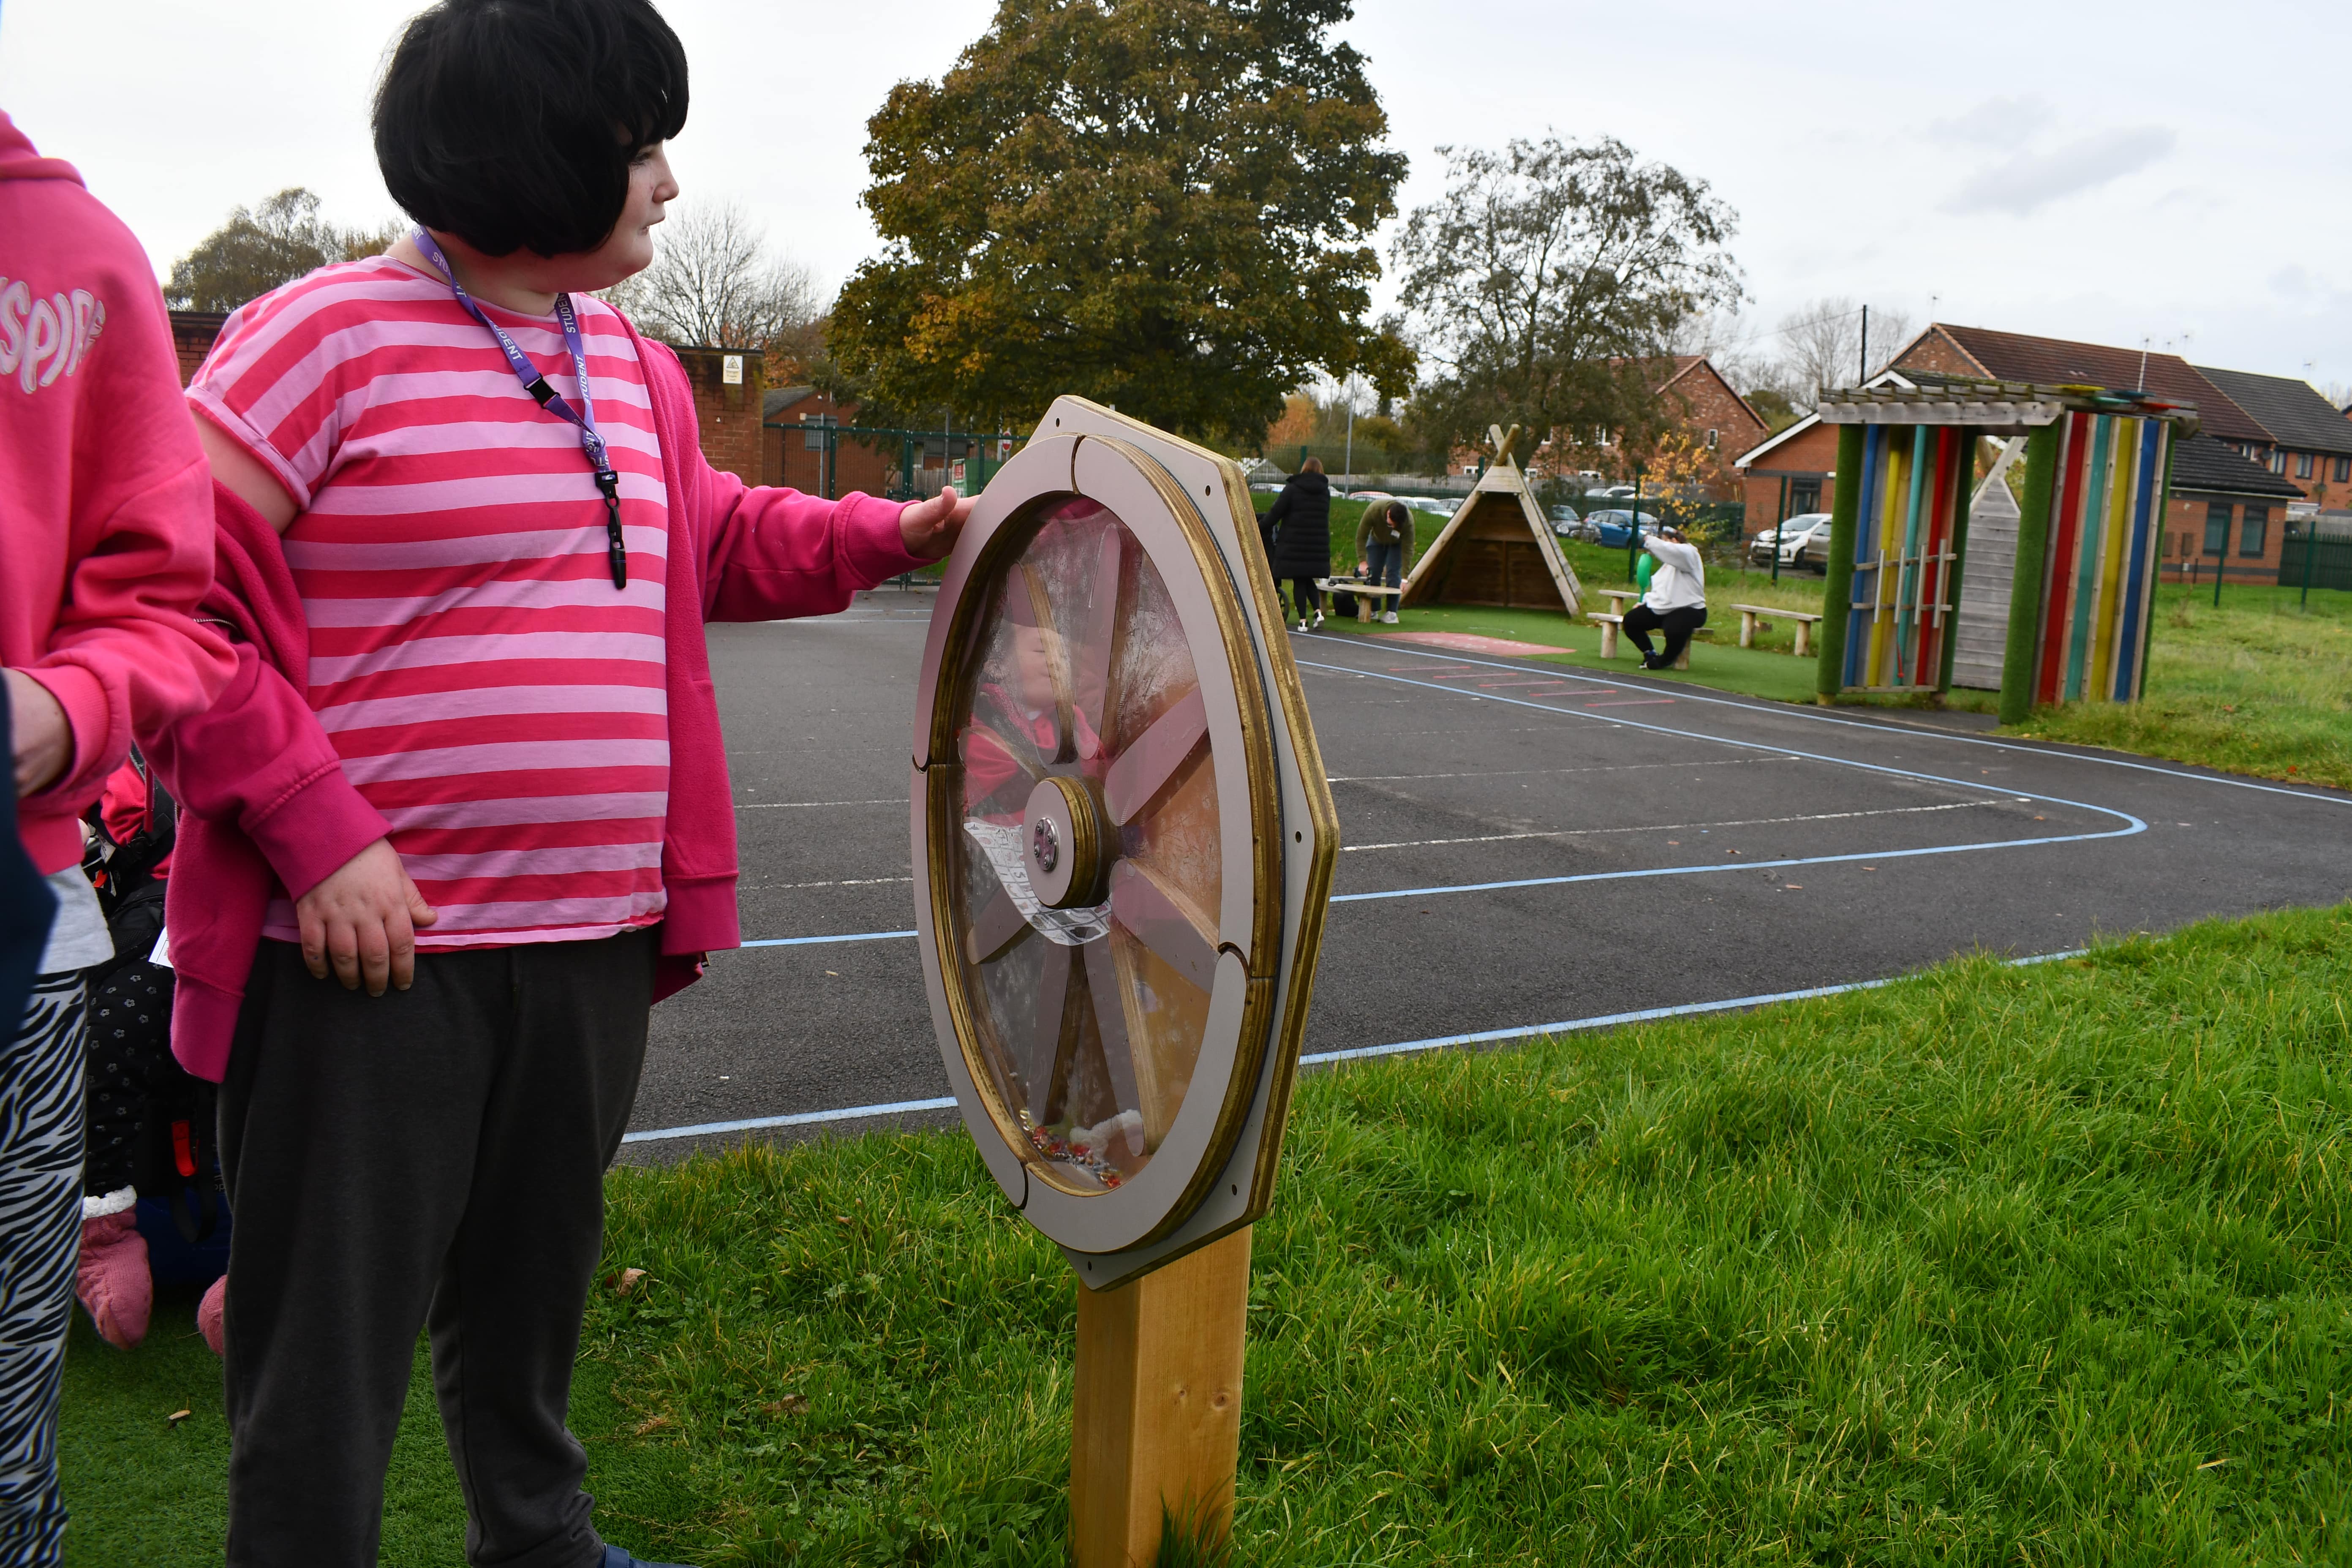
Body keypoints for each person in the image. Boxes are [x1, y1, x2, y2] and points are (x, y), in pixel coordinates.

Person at [144, 4, 967, 1563]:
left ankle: (541, 1544)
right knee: (323, 1351)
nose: (665, 180)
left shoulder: (636, 368)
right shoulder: (316, 340)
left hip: (587, 940)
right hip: (362, 959)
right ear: (532, 154)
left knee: (529, 1296)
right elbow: (171, 602)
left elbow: (709, 538)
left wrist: (884, 535)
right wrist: (321, 841)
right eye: (636, 144)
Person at [0, 108, 238, 1563]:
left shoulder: (78, 258)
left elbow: (176, 606)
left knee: (8, 1413)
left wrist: (63, 702)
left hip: (24, 929)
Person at [1624, 523, 1707, 670]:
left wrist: (1649, 540)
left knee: (1674, 628)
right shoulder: (1667, 567)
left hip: (1691, 609)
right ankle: (1650, 653)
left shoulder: (1690, 553)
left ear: (1675, 541)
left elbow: (1670, 550)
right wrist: (1645, 603)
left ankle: (1665, 660)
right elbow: (1661, 589)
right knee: (1631, 620)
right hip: (1664, 608)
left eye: (1666, 541)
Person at [1263, 457, 1331, 630]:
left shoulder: (1293, 489)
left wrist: (1260, 527)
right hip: (1317, 543)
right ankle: (1317, 612)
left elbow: (1276, 512)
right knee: (1309, 578)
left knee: (1299, 581)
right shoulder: (1325, 492)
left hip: (1295, 542)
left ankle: (1302, 621)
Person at [1354, 498, 1413, 625]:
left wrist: (1405, 578)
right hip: (1376, 540)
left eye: (1397, 526)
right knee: (1373, 572)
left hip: (1397, 544)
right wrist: (1362, 561)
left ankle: (1392, 613)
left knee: (1393, 573)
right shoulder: (1374, 510)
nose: (1394, 527)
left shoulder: (1408, 522)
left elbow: (1408, 550)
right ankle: (1373, 609)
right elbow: (1361, 537)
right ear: (1388, 514)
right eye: (1391, 524)